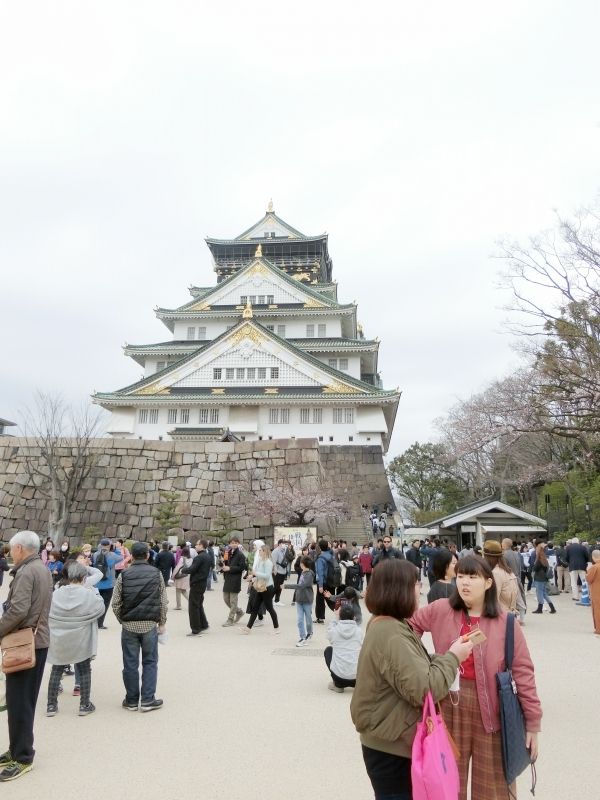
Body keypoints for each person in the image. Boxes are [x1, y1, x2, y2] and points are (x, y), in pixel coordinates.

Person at [411, 555, 542, 800]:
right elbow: (410, 627)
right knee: (448, 784)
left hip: (490, 710)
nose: (465, 583)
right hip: (448, 706)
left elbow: (524, 672)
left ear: (488, 583)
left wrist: (533, 723)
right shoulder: (441, 609)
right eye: (460, 576)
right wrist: (422, 662)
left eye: (473, 577)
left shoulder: (506, 621)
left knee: (491, 788)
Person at [350, 559, 473, 800]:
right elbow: (424, 688)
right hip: (392, 747)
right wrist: (453, 658)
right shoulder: (391, 633)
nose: (419, 589)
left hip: (387, 739)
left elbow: (415, 668)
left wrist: (445, 657)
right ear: (400, 589)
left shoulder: (388, 624)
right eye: (416, 583)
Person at [0, 531, 53, 782]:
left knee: (20, 702)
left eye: (11, 549)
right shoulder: (41, 568)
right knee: (21, 700)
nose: (10, 554)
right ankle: (17, 748)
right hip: (36, 641)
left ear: (20, 548)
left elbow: (18, 610)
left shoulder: (26, 571)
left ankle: (22, 756)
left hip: (25, 643)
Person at [111, 542, 167, 712]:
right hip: (149, 624)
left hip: (129, 626)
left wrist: (123, 620)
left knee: (130, 663)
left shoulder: (124, 575)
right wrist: (162, 622)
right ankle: (148, 699)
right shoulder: (156, 574)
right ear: (148, 555)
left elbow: (115, 603)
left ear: (132, 556)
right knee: (150, 661)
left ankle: (132, 700)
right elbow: (163, 601)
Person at [46, 562, 105, 717]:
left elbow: (47, 611)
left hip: (59, 636)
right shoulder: (88, 593)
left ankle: (51, 705)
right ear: (83, 577)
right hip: (82, 636)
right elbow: (100, 609)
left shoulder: (57, 593)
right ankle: (84, 704)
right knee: (84, 669)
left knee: (57, 668)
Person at [324, 604, 364, 692]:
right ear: (354, 617)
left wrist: (336, 617)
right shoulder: (358, 631)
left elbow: (328, 633)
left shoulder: (334, 630)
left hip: (339, 678)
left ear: (340, 617)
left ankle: (338, 685)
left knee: (328, 650)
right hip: (356, 679)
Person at [241, 544, 279, 634]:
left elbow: (266, 576)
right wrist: (251, 577)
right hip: (260, 587)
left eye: (261, 550)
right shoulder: (261, 561)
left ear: (265, 551)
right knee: (255, 607)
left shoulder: (268, 562)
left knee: (270, 608)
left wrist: (255, 573)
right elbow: (259, 574)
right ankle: (248, 628)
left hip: (267, 588)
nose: (259, 552)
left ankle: (277, 628)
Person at [179, 540, 212, 636]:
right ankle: (204, 624)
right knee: (199, 605)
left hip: (196, 584)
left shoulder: (199, 557)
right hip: (202, 583)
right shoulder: (207, 556)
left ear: (201, 546)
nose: (195, 546)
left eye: (197, 544)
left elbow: (192, 569)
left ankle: (196, 629)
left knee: (193, 606)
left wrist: (183, 570)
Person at [482, 540, 519, 614]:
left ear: (488, 557)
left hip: (500, 616)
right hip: (510, 614)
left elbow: (493, 601)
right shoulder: (509, 571)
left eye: (484, 556)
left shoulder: (495, 574)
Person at [93, 538, 122, 629]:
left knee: (96, 604)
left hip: (97, 583)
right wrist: (116, 548)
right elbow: (120, 557)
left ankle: (93, 622)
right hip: (108, 584)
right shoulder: (112, 555)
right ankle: (100, 624)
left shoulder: (95, 554)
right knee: (105, 604)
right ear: (109, 546)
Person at [285, 555, 314, 646]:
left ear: (303, 564)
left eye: (301, 563)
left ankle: (309, 633)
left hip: (307, 600)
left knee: (308, 620)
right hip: (299, 600)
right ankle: (303, 637)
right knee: (300, 620)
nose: (300, 564)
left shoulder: (309, 575)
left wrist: (286, 586)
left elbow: (301, 586)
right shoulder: (302, 572)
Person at [220, 536, 246, 627]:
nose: (233, 544)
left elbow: (242, 568)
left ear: (238, 544)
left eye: (235, 542)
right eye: (232, 542)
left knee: (233, 601)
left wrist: (230, 568)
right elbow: (225, 565)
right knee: (226, 599)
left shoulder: (240, 555)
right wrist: (222, 563)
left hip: (235, 580)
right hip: (227, 579)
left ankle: (230, 619)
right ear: (229, 544)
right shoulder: (228, 552)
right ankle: (239, 611)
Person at [531, 543, 556, 614]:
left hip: (539, 578)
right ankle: (552, 608)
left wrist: (533, 566)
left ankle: (540, 609)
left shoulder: (539, 560)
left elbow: (535, 568)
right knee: (544, 593)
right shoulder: (544, 559)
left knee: (539, 594)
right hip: (544, 578)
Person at [315, 540, 335, 623]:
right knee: (332, 599)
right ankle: (345, 612)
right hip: (331, 581)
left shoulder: (320, 558)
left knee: (320, 600)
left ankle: (320, 617)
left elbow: (320, 573)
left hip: (323, 582)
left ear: (319, 547)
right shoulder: (331, 555)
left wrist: (320, 586)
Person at [172, 545, 193, 610]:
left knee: (178, 590)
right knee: (184, 591)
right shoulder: (191, 559)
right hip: (187, 576)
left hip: (180, 576)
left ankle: (179, 605)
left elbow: (177, 568)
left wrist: (173, 576)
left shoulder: (182, 559)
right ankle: (192, 603)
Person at [585, 550, 600, 635]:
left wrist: (587, 573)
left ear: (593, 557)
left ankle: (598, 629)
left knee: (597, 610)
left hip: (597, 592)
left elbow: (589, 579)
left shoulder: (594, 567)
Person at [272, 540, 290, 606]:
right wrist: (275, 570)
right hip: (277, 572)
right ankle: (269, 599)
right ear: (279, 544)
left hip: (283, 571)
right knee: (276, 587)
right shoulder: (275, 551)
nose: (284, 545)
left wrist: (287, 571)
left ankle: (277, 600)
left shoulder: (284, 551)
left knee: (280, 587)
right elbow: (273, 561)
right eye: (283, 544)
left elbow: (286, 561)